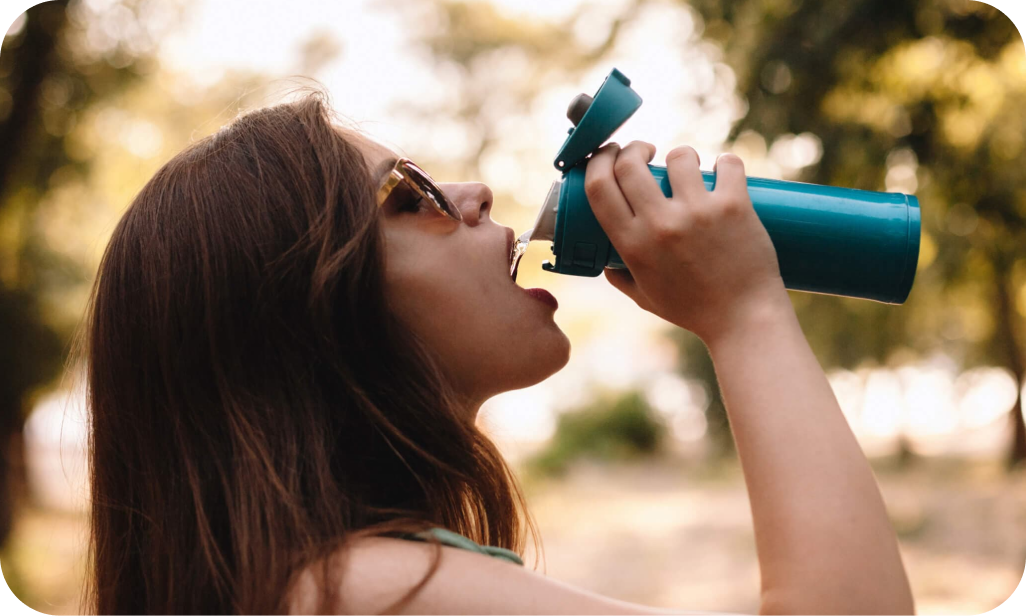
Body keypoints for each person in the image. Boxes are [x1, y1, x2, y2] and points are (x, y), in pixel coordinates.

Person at [79, 91, 914, 616]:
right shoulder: (356, 593)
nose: (473, 192)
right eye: (411, 195)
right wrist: (746, 314)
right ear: (304, 313)